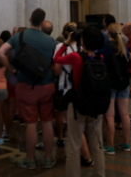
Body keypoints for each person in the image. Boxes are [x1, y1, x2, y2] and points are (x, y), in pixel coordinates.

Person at [0, 9, 60, 170]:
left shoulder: (18, 36)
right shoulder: (51, 40)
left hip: (25, 85)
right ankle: (48, 159)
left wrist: (11, 71)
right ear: (43, 23)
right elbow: (57, 66)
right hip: (46, 85)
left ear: (30, 19)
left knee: (30, 123)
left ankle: (29, 160)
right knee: (47, 122)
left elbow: (0, 53)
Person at [53, 26, 109, 177]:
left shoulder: (76, 57)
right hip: (96, 106)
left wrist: (67, 42)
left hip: (78, 105)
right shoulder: (100, 58)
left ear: (84, 41)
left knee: (74, 145)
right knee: (97, 145)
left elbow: (56, 59)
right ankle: (99, 174)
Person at [54, 24, 94, 166]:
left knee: (74, 127)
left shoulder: (61, 47)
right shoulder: (84, 47)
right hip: (85, 90)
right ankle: (85, 154)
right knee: (81, 126)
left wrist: (66, 44)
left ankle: (85, 157)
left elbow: (57, 70)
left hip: (67, 90)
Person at [103, 25, 131, 154]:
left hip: (110, 83)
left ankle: (110, 146)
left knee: (110, 116)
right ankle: (126, 144)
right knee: (125, 114)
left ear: (108, 32)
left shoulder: (105, 47)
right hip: (124, 83)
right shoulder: (124, 48)